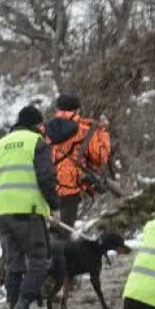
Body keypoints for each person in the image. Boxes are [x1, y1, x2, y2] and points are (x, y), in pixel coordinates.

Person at [0, 103, 58, 309]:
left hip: (2, 212)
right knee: (40, 261)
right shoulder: (36, 143)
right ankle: (23, 305)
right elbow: (46, 177)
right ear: (37, 125)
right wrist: (54, 207)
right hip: (28, 211)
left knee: (13, 263)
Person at [45, 93, 113, 228]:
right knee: (64, 232)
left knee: (45, 234)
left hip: (46, 187)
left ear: (57, 109)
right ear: (77, 110)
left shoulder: (43, 129)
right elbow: (101, 158)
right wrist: (104, 131)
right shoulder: (85, 131)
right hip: (69, 191)